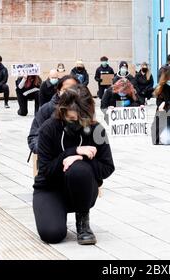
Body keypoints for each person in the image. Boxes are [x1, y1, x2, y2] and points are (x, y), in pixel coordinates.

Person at [33, 85, 115, 244]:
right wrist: (72, 152)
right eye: (71, 119)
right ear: (62, 113)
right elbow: (44, 171)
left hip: (82, 187)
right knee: (52, 235)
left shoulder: (96, 129)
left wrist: (81, 159)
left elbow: (107, 167)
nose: (76, 124)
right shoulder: (48, 129)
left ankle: (83, 221)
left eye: (81, 120)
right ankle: (55, 212)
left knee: (78, 169)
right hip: (51, 188)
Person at [28, 75, 79, 154]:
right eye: (65, 90)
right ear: (59, 91)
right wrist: (46, 148)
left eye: (73, 89)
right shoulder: (47, 109)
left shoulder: (84, 109)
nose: (69, 93)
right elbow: (34, 138)